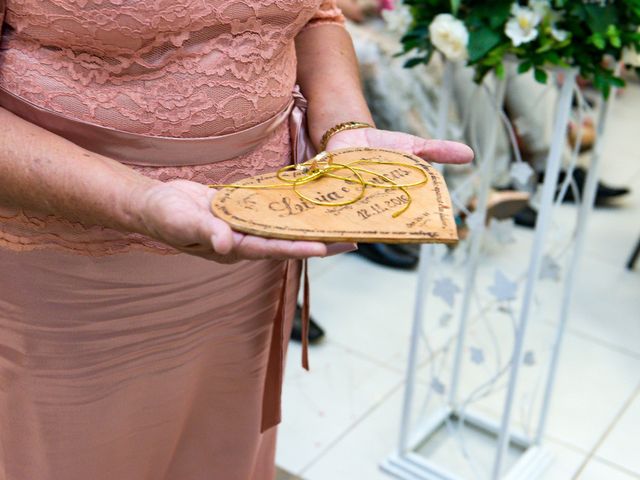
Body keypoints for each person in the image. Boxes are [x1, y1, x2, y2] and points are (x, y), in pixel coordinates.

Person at [0, 1, 473, 479]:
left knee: (215, 442)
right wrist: (138, 201)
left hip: (250, 246)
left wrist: (345, 127)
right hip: (66, 267)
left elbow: (315, 16)